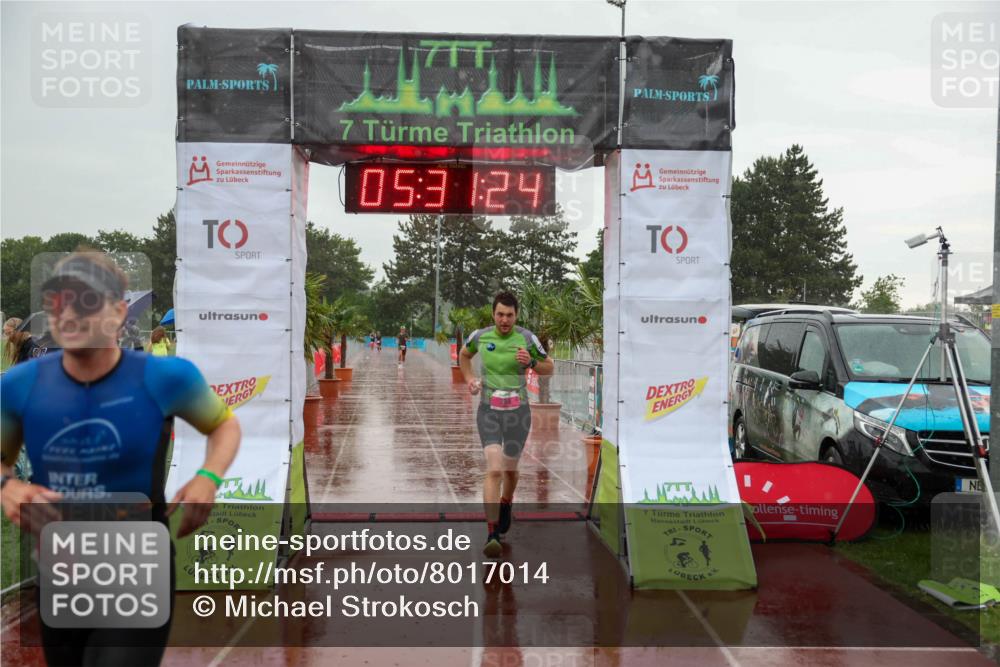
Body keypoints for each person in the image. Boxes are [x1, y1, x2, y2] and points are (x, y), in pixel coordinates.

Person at [0, 250, 241, 667]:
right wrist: (9, 486)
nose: (69, 313)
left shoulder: (165, 377)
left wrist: (208, 475)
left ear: (117, 311)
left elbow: (224, 427)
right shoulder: (21, 385)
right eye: (57, 301)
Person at [459, 291, 553, 558]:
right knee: (495, 469)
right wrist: (470, 379)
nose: (504, 320)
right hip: (488, 411)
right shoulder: (480, 336)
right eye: (500, 314)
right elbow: (464, 357)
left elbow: (550, 367)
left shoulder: (526, 338)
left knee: (510, 472)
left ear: (516, 316)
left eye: (509, 315)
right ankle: (492, 532)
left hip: (518, 415)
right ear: (493, 314)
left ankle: (506, 502)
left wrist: (532, 362)